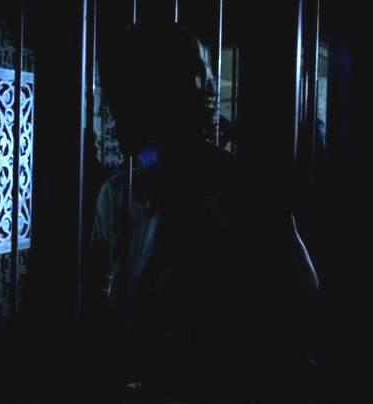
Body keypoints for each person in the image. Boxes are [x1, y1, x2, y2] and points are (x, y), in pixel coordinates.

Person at [95, 22, 319, 396]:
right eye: (116, 100)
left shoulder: (244, 193)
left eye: (130, 99)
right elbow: (105, 303)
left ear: (173, 97)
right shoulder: (118, 194)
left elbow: (300, 307)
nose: (116, 117)